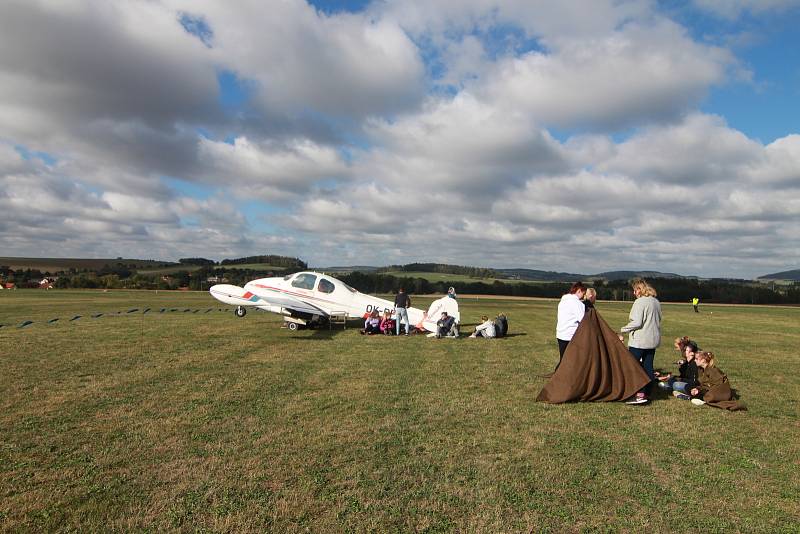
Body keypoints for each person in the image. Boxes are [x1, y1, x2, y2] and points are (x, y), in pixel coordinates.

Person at [619, 279, 662, 405]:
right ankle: (648, 392)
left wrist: (623, 329)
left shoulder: (640, 302)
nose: (634, 293)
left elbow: (637, 322)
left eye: (635, 290)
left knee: (633, 367)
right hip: (652, 340)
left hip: (640, 341)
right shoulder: (656, 301)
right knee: (648, 366)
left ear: (639, 289)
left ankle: (639, 394)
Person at [555, 282, 587, 369]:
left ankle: (558, 376)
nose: (583, 297)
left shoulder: (563, 300)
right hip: (570, 336)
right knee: (571, 361)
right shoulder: (576, 303)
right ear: (579, 291)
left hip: (560, 334)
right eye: (583, 294)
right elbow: (583, 320)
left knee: (563, 358)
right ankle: (558, 376)